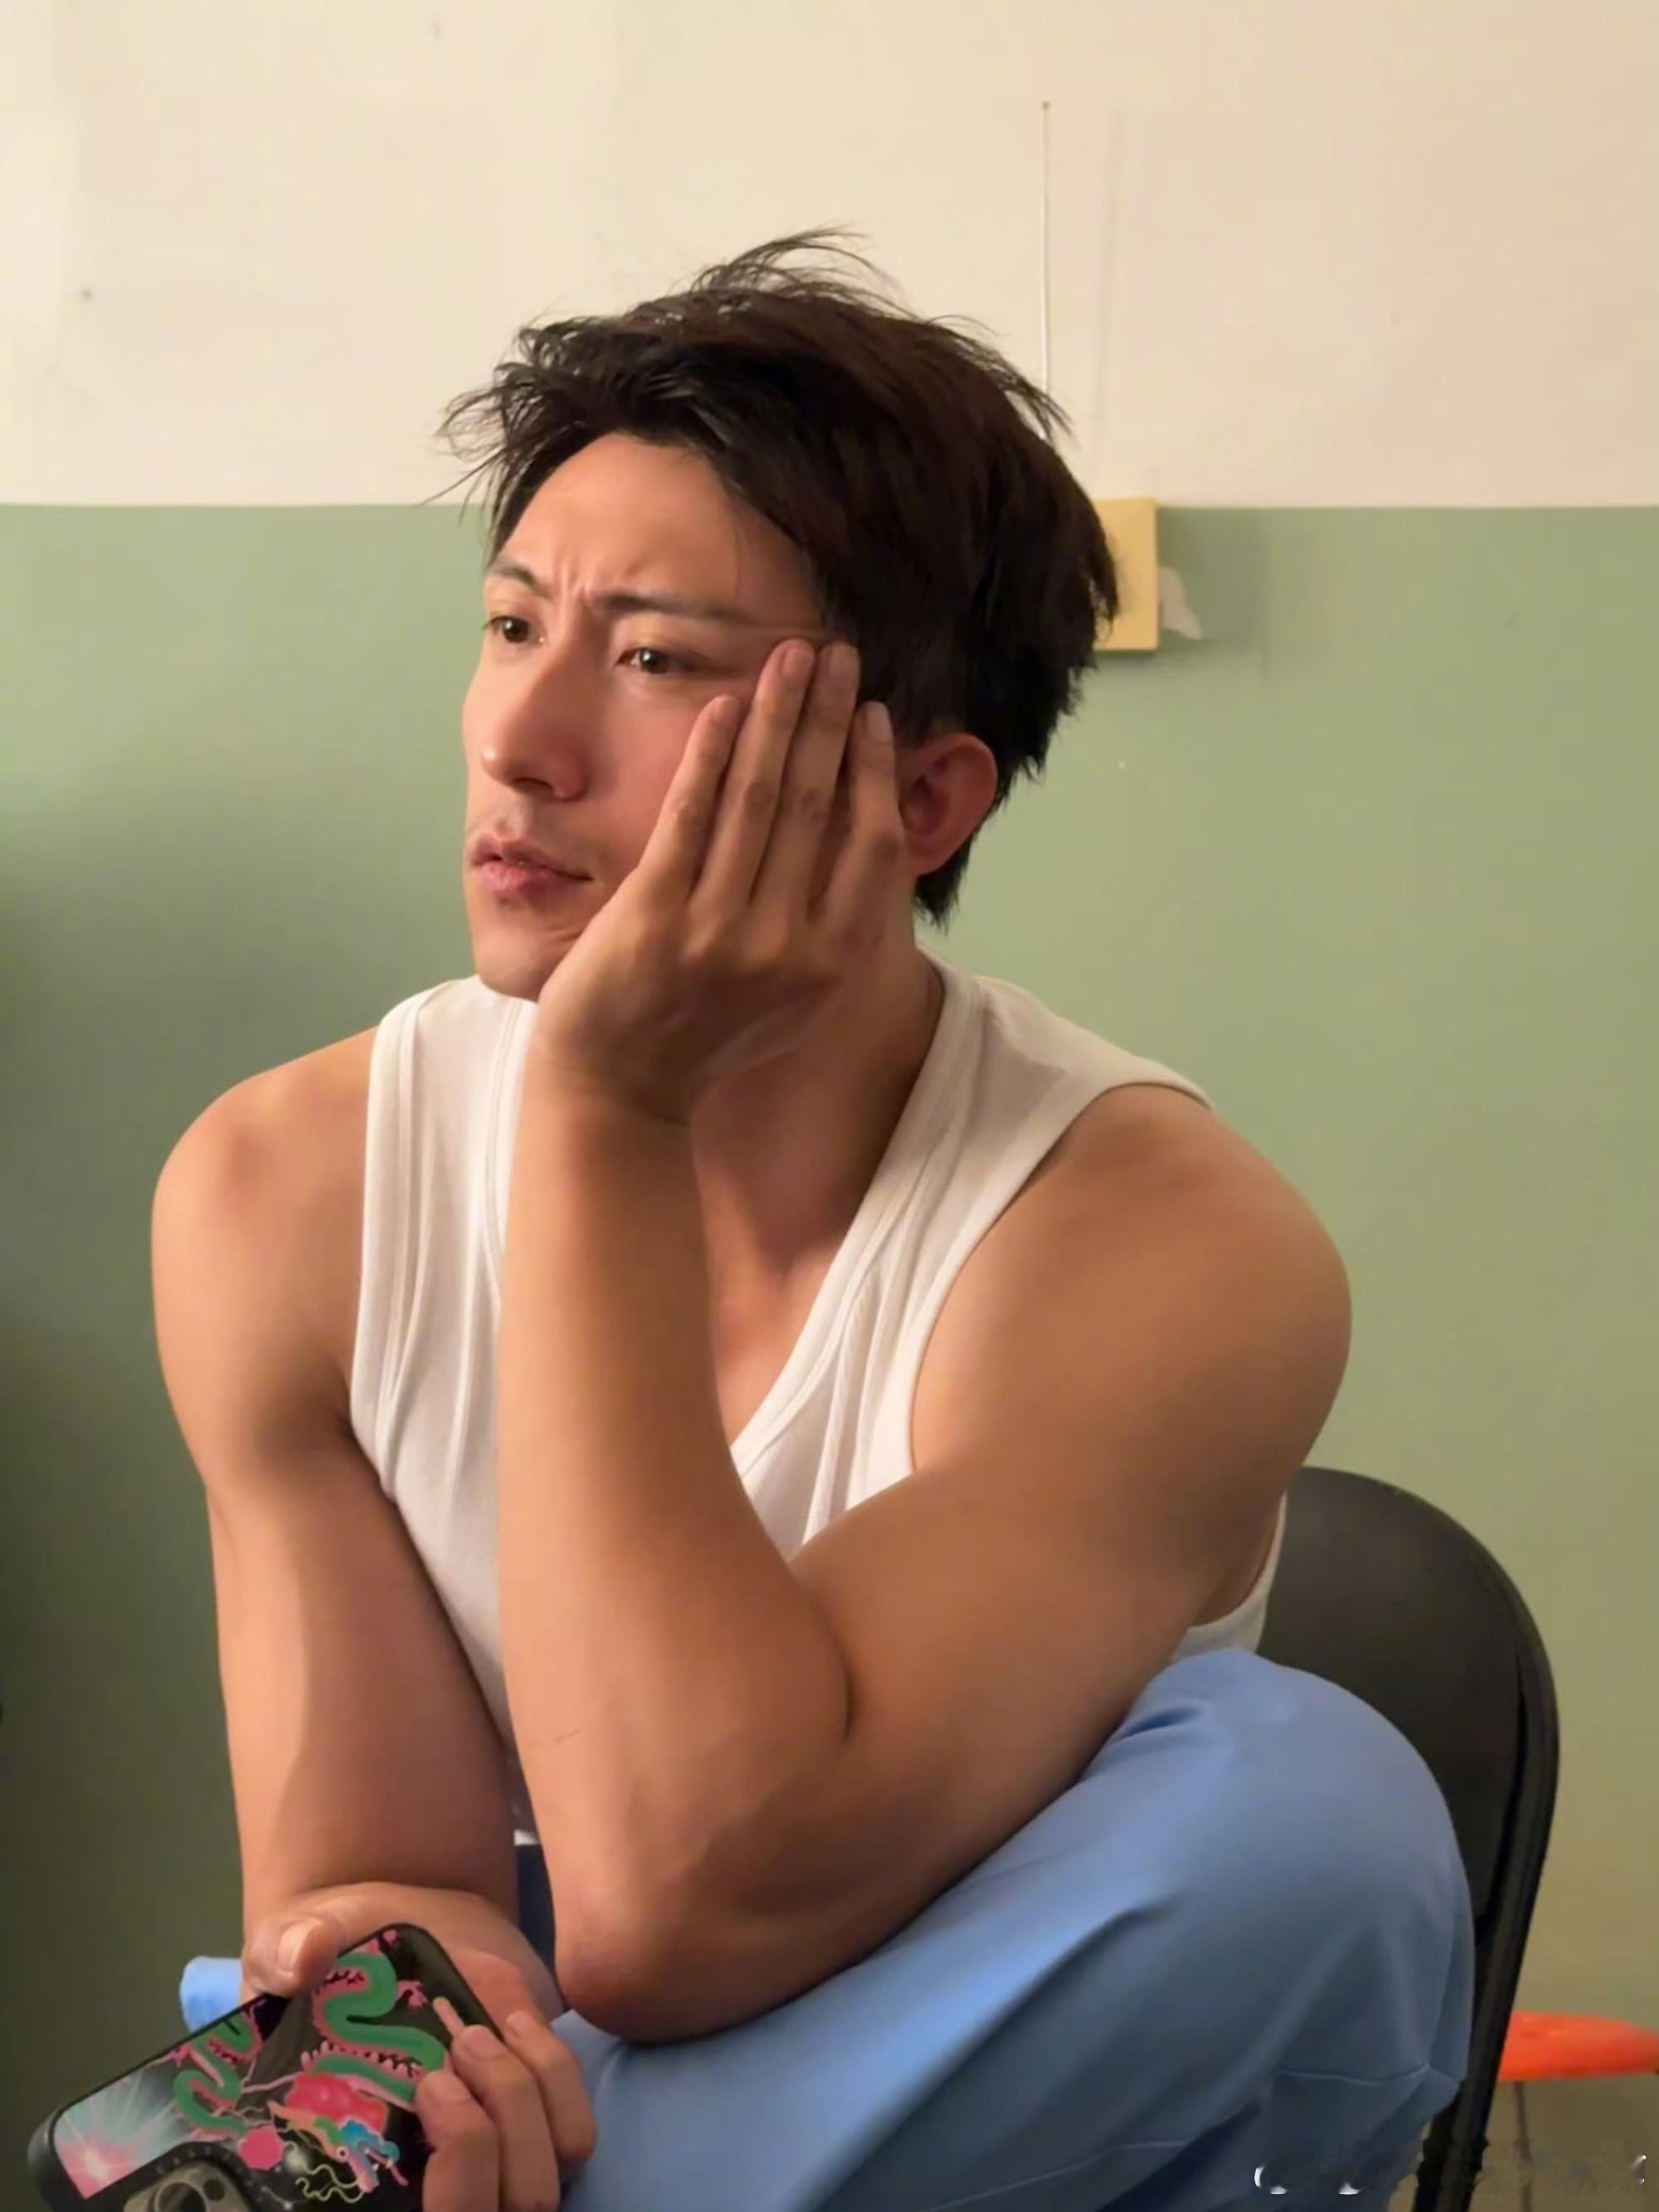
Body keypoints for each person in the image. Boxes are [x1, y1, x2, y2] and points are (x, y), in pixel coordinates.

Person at [153, 231, 1472, 2211]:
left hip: (983, 2062)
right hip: (591, 2093)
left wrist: (604, 1108)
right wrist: (415, 2010)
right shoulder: (285, 1189)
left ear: (918, 801)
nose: (520, 737)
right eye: (512, 624)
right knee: (345, 2035)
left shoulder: (1159, 1244)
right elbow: (400, 1884)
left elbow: (683, 1905)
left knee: (1307, 1812)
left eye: (653, 658)